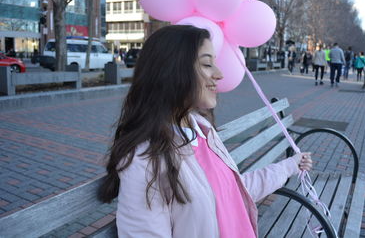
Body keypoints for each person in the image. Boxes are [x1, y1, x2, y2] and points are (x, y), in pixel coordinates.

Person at [97, 25, 312, 238]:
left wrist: (289, 166)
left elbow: (232, 193)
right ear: (172, 71)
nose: (219, 74)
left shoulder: (202, 131)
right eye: (207, 64)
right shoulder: (145, 160)